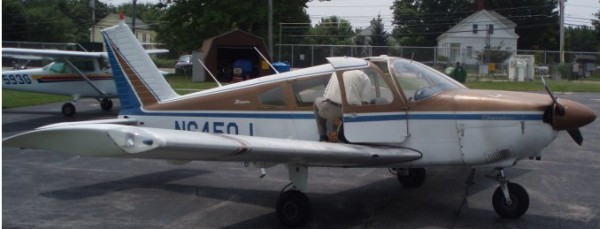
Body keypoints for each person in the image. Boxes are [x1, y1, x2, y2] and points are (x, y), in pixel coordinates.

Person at [313, 70, 373, 142]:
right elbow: (365, 103)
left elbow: (326, 95)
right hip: (349, 113)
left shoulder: (336, 72)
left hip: (331, 109)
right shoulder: (364, 77)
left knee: (316, 101)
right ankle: (342, 132)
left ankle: (322, 136)